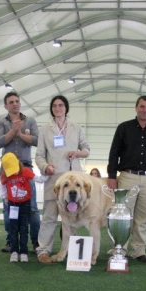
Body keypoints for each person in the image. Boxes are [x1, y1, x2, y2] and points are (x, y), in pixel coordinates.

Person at [107, 95, 146, 263]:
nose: (145, 110)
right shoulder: (124, 128)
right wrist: (112, 176)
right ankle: (120, 248)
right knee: (123, 215)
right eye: (142, 106)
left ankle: (139, 250)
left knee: (143, 216)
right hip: (127, 176)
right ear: (136, 107)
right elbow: (114, 153)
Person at [35, 95, 90, 264]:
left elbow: (86, 149)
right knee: (49, 217)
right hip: (55, 180)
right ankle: (43, 251)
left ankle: (70, 252)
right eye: (55, 105)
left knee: (73, 219)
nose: (58, 108)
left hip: (75, 181)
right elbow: (39, 156)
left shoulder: (76, 128)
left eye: (61, 105)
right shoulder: (45, 129)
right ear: (52, 109)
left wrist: (79, 153)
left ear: (66, 108)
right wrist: (45, 167)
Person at [0, 92, 40, 254]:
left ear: (20, 103)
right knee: (8, 207)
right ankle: (11, 241)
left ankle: (36, 242)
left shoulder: (30, 121)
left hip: (26, 168)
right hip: (7, 170)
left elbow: (36, 140)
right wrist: (13, 131)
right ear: (6, 106)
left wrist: (20, 134)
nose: (15, 104)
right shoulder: (1, 121)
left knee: (33, 207)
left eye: (17, 101)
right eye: (11, 102)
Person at [0, 153, 46, 263]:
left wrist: (48, 174)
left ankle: (24, 252)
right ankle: (14, 252)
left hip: (25, 204)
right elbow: (2, 185)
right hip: (13, 204)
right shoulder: (5, 174)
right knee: (13, 229)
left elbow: (38, 179)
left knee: (24, 228)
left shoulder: (25, 171)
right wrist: (5, 196)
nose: (13, 173)